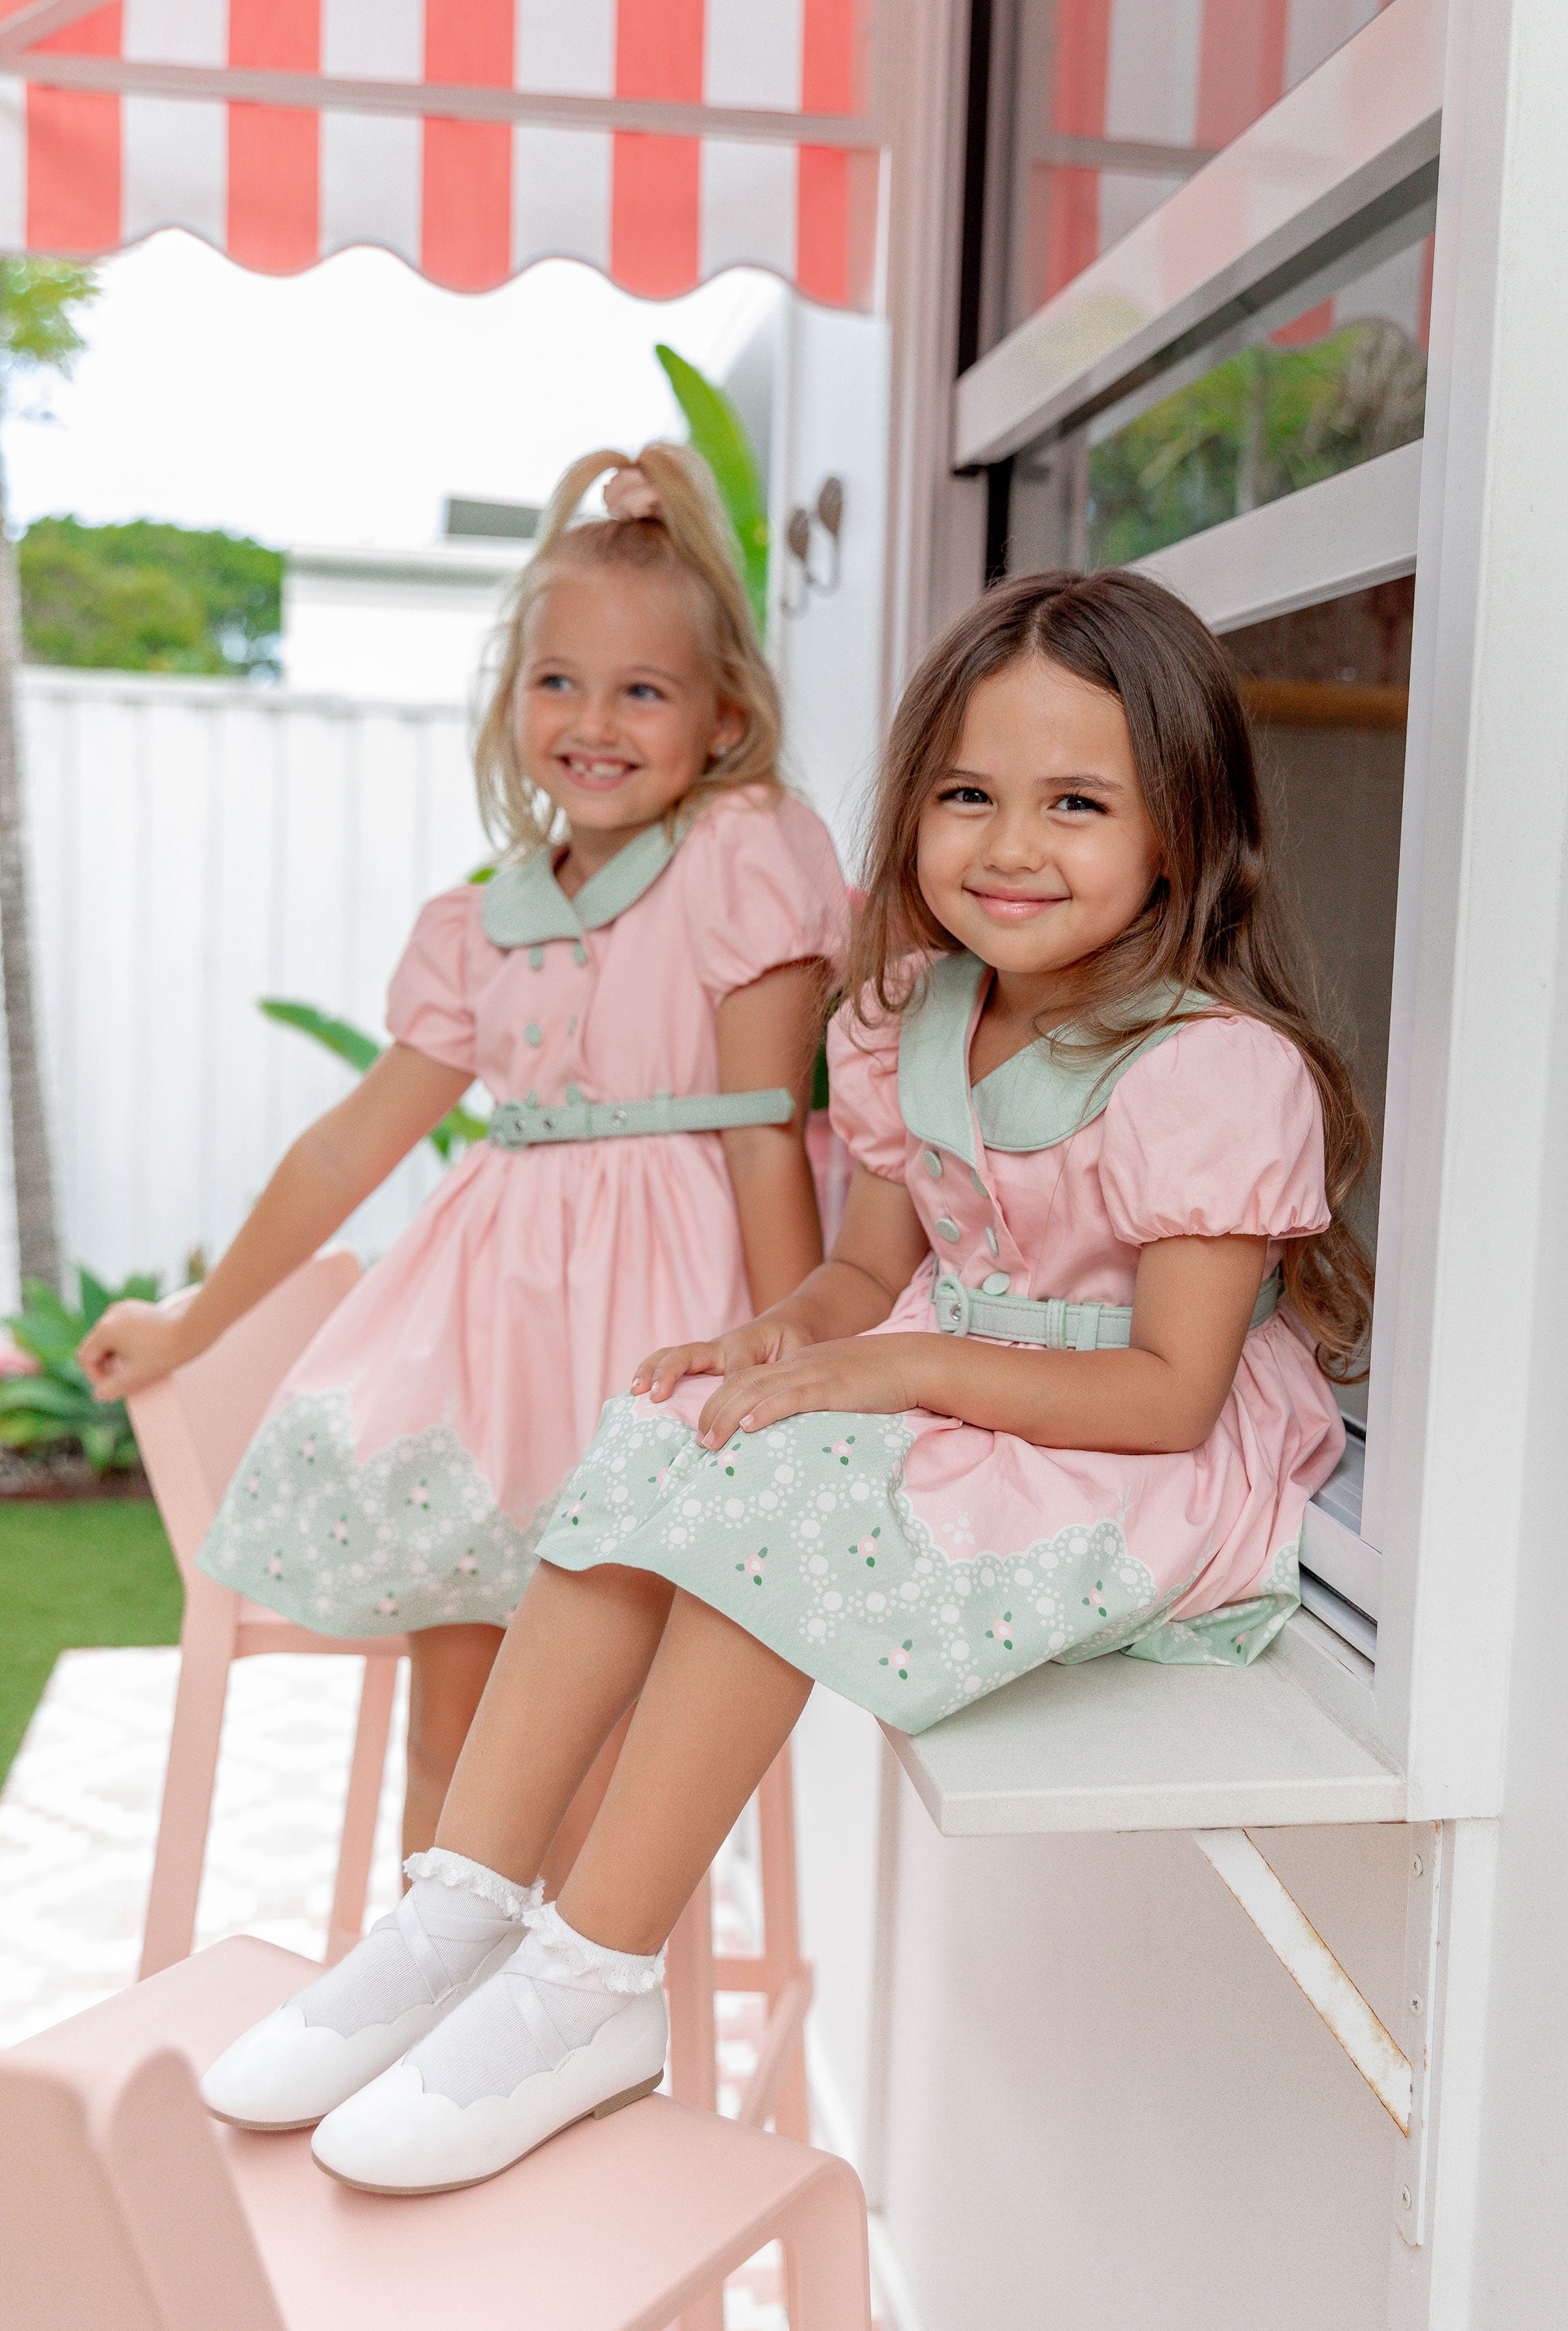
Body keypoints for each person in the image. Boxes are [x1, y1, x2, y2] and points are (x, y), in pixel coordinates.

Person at [197, 567, 1370, 2197]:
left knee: (785, 1508)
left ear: (1182, 830)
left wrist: (878, 1369)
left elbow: (1169, 1396)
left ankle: (596, 1981)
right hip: (973, 1397)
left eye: (1076, 803)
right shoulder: (908, 1015)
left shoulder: (1214, 1072)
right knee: (674, 1424)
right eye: (969, 794)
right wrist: (780, 1339)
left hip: (1133, 1458)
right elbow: (856, 1276)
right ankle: (458, 1906)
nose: (1009, 845)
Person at [80, 440, 847, 1875]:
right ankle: (413, 2012)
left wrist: (802, 1358)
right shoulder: (476, 922)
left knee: (599, 1756)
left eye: (643, 690)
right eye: (558, 681)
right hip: (486, 1361)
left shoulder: (743, 855)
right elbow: (348, 1149)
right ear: (511, 699)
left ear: (721, 716)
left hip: (656, 1351)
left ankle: (546, 2044)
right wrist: (197, 1317)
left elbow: (765, 1139)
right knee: (457, 1731)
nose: (593, 721)